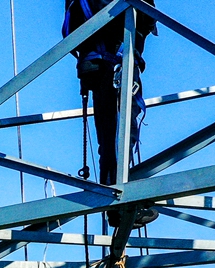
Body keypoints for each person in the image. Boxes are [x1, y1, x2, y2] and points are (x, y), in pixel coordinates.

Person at [64, 0, 158, 215]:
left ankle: (114, 193)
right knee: (122, 130)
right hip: (113, 60)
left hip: (98, 62)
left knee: (109, 134)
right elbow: (142, 14)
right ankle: (121, 196)